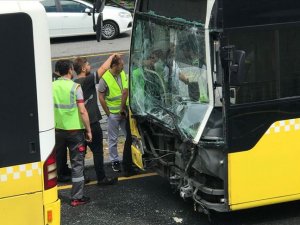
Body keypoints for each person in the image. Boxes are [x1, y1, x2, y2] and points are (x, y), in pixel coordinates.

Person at [73, 55, 118, 185]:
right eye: (87, 65)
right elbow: (104, 68)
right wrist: (112, 56)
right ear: (82, 68)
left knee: (81, 154)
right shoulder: (87, 81)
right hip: (92, 123)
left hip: (78, 125)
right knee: (98, 152)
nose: (90, 67)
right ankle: (101, 178)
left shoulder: (74, 84)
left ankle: (82, 178)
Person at [53, 59, 92, 207]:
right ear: (70, 70)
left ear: (57, 71)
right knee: (77, 164)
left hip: (57, 131)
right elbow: (82, 111)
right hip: (74, 132)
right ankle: (77, 197)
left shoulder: (51, 86)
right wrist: (88, 130)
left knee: (57, 161)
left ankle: (53, 192)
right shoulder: (75, 87)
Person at [98, 55, 135, 176]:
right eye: (120, 64)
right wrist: (108, 113)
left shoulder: (123, 73)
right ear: (114, 65)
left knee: (129, 137)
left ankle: (129, 160)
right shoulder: (105, 78)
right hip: (114, 114)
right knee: (113, 139)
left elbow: (125, 91)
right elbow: (101, 97)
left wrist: (124, 108)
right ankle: (115, 161)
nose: (123, 65)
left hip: (124, 111)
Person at [53, 60, 71, 182]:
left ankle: (63, 169)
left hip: (57, 123)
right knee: (60, 152)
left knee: (61, 150)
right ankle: (61, 173)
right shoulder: (71, 85)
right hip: (67, 124)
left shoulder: (52, 84)